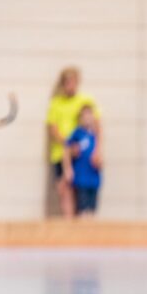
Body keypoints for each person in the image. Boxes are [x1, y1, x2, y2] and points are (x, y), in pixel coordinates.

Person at [46, 67, 102, 218]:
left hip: (82, 155)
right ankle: (69, 222)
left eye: (73, 82)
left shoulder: (85, 101)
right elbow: (52, 128)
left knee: (81, 190)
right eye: (67, 82)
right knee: (65, 189)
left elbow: (97, 126)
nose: (70, 86)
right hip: (62, 152)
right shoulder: (56, 103)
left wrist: (97, 150)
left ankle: (80, 224)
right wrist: (69, 145)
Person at [62, 104, 101, 217]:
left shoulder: (95, 135)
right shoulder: (77, 133)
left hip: (93, 177)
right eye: (85, 116)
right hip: (81, 178)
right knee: (82, 209)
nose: (87, 118)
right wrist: (68, 169)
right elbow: (67, 150)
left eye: (89, 116)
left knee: (92, 209)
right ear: (80, 118)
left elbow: (99, 155)